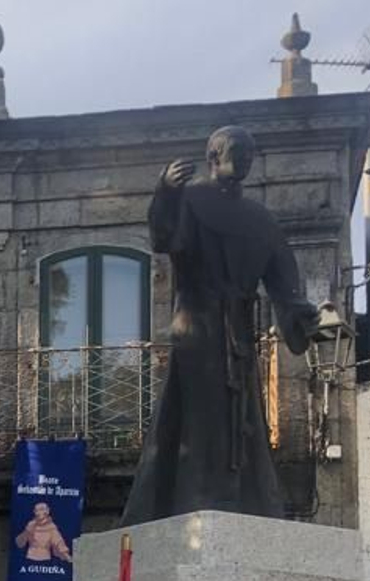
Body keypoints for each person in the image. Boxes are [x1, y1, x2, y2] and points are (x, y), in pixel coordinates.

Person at [120, 125, 320, 526]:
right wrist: (166, 191)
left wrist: (304, 315)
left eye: (249, 155)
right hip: (197, 329)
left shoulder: (260, 219)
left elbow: (284, 282)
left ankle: (243, 502)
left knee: (242, 419)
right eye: (236, 153)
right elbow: (163, 238)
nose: (245, 160)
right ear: (213, 157)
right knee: (198, 419)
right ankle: (195, 499)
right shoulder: (190, 201)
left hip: (238, 332)